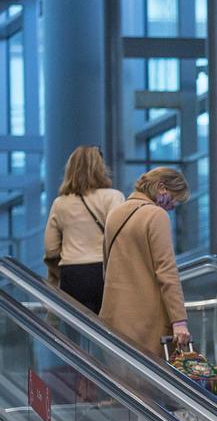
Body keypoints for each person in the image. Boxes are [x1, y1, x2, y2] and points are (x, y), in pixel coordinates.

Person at [99, 168, 191, 358]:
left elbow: (106, 266)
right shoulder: (156, 215)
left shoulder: (114, 214)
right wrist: (179, 320)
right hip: (147, 323)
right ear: (161, 187)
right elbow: (166, 271)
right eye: (174, 198)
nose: (173, 206)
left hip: (113, 316)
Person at [43, 146, 125, 313]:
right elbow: (122, 238)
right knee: (111, 331)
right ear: (100, 168)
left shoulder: (60, 203)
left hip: (73, 274)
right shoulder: (114, 197)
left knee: (76, 331)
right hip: (107, 272)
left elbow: (50, 249)